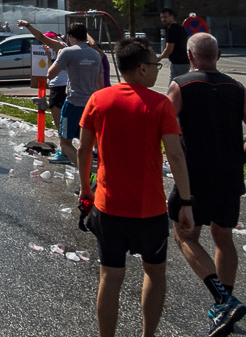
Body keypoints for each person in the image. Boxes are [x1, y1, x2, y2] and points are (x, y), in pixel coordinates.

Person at [78, 38, 195, 337]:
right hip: (149, 209)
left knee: (110, 277)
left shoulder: (98, 100)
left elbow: (83, 150)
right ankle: (148, 335)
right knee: (154, 273)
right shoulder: (160, 105)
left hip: (108, 205)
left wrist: (85, 189)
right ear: (142, 68)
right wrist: (186, 202)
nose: (157, 69)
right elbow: (176, 155)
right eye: (156, 64)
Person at [167, 33, 246, 336]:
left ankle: (224, 300)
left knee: (185, 235)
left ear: (190, 55)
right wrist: (243, 157)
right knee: (223, 236)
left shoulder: (181, 84)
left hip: (196, 174)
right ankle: (226, 307)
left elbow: (165, 123)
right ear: (219, 55)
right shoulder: (236, 87)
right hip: (229, 174)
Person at [46, 23, 103, 166]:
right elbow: (101, 85)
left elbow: (50, 74)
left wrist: (58, 56)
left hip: (73, 103)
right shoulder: (96, 55)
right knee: (87, 143)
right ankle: (90, 172)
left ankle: (87, 171)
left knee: (65, 143)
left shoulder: (68, 52)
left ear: (71, 37)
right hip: (91, 104)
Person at [18, 20, 67, 142]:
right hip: (57, 87)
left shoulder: (62, 48)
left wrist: (27, 25)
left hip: (60, 88)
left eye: (48, 43)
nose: (47, 46)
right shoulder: (58, 52)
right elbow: (51, 70)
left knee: (61, 122)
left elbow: (39, 36)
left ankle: (64, 149)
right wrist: (49, 57)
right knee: (63, 122)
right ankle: (65, 147)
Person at [158, 8, 190, 81]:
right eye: (162, 17)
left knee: (173, 88)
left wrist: (159, 58)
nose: (163, 19)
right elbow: (188, 40)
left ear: (172, 16)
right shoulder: (180, 28)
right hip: (185, 62)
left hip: (178, 64)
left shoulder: (171, 30)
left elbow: (169, 49)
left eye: (165, 17)